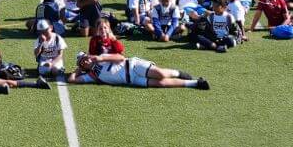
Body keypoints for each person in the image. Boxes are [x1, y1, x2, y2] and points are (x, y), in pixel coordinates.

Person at [68, 51, 209, 89]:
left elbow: (120, 57)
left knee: (160, 74)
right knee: (161, 84)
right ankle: (196, 83)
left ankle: (179, 73)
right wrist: (77, 70)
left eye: (85, 58)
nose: (86, 61)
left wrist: (100, 59)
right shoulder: (92, 75)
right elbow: (71, 80)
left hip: (133, 66)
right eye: (82, 62)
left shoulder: (101, 57)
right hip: (133, 80)